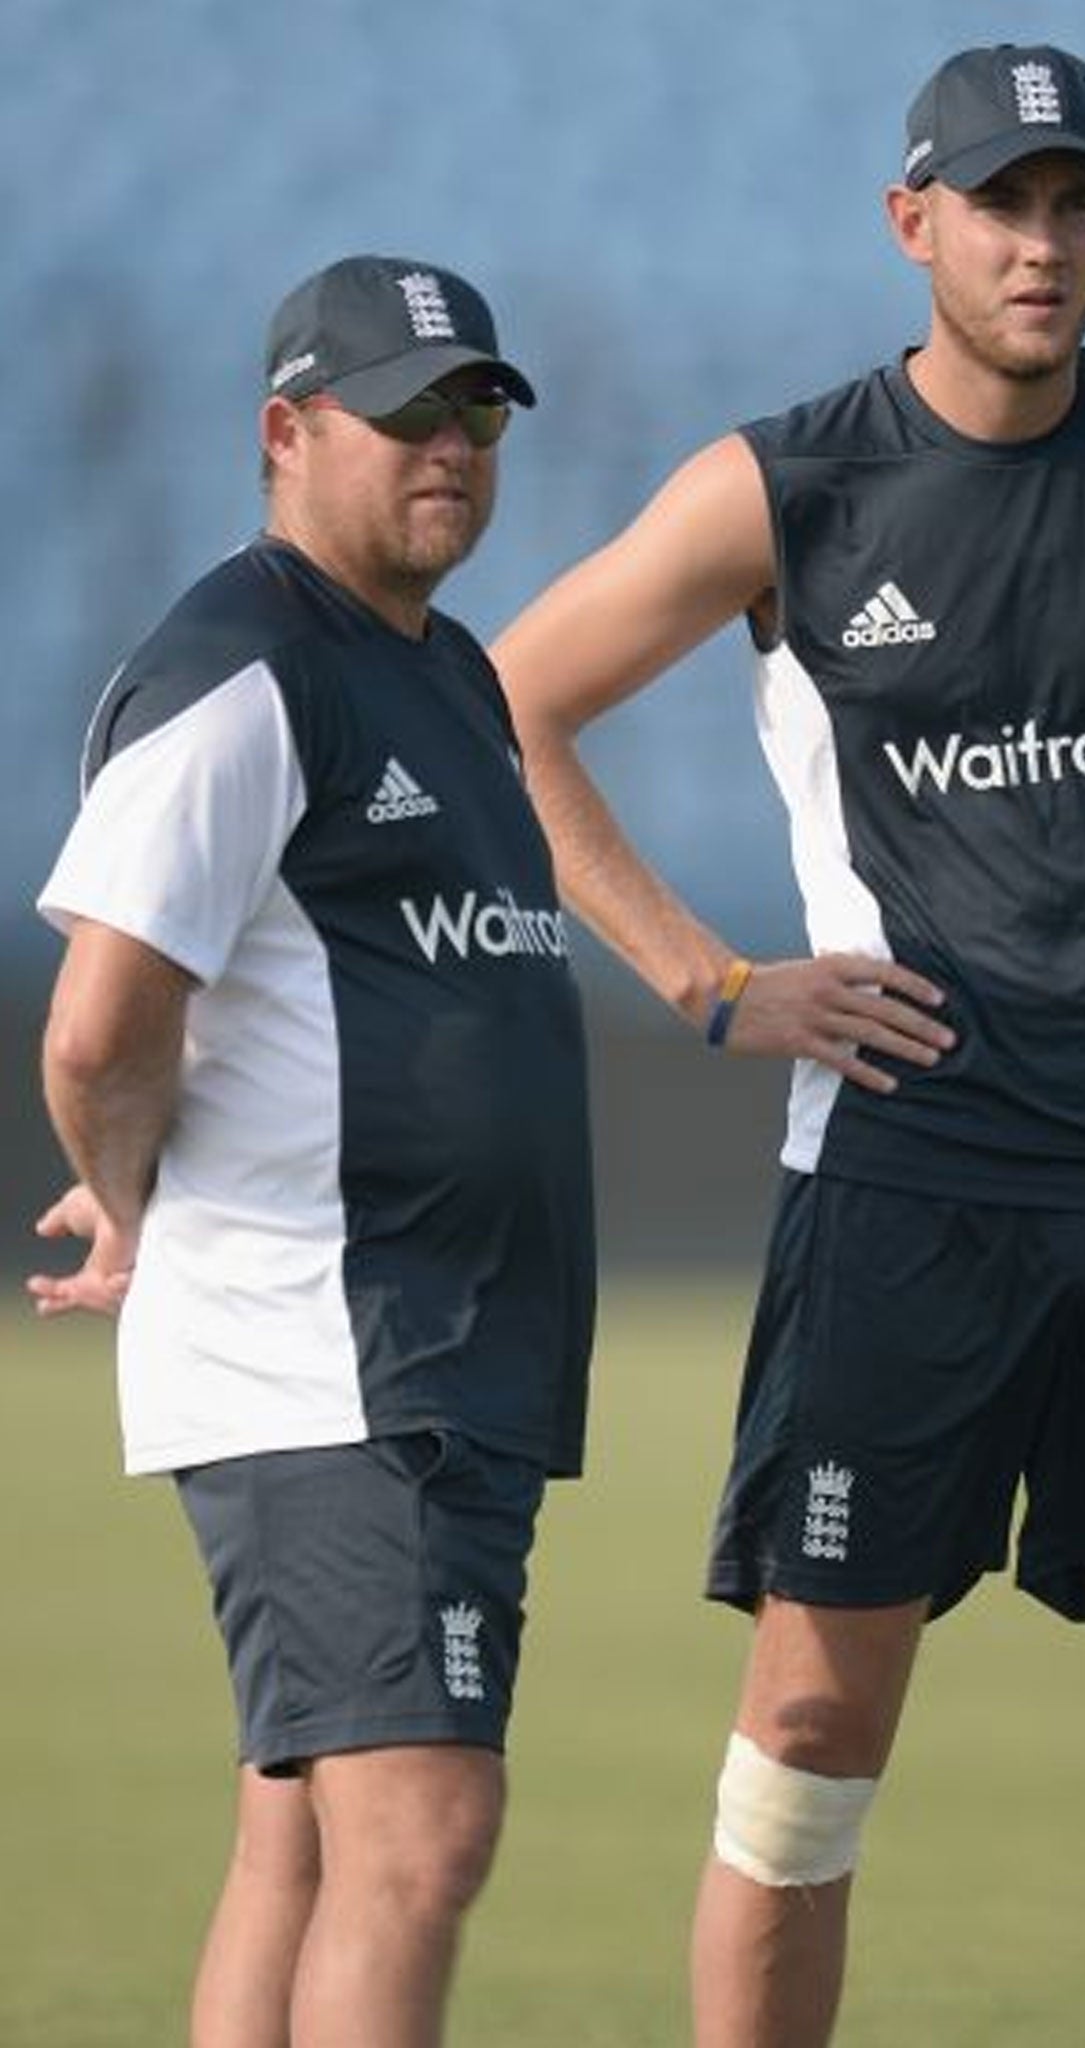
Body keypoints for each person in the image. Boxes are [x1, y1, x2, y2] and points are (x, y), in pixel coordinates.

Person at [489, 42, 1085, 2048]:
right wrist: (708, 981)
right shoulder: (789, 482)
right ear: (910, 220)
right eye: (1001, 203)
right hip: (904, 1191)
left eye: (1076, 201)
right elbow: (512, 701)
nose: (1041, 242)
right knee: (807, 1747)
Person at [29, 254, 595, 2048]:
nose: (454, 443)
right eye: (410, 408)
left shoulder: (454, 675)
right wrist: (136, 1210)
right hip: (326, 1351)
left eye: (478, 409)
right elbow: (97, 1028)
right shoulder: (241, 664)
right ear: (287, 432)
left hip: (431, 1352)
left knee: (303, 1840)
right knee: (421, 1835)